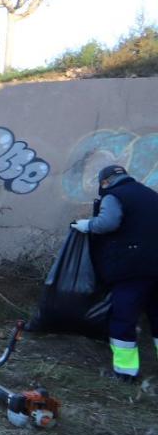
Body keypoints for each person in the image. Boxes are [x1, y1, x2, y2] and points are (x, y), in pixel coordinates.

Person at [73, 164, 158, 382]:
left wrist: (88, 225)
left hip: (131, 269)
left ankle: (125, 372)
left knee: (123, 317)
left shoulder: (114, 195)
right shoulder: (151, 195)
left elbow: (108, 223)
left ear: (105, 182)